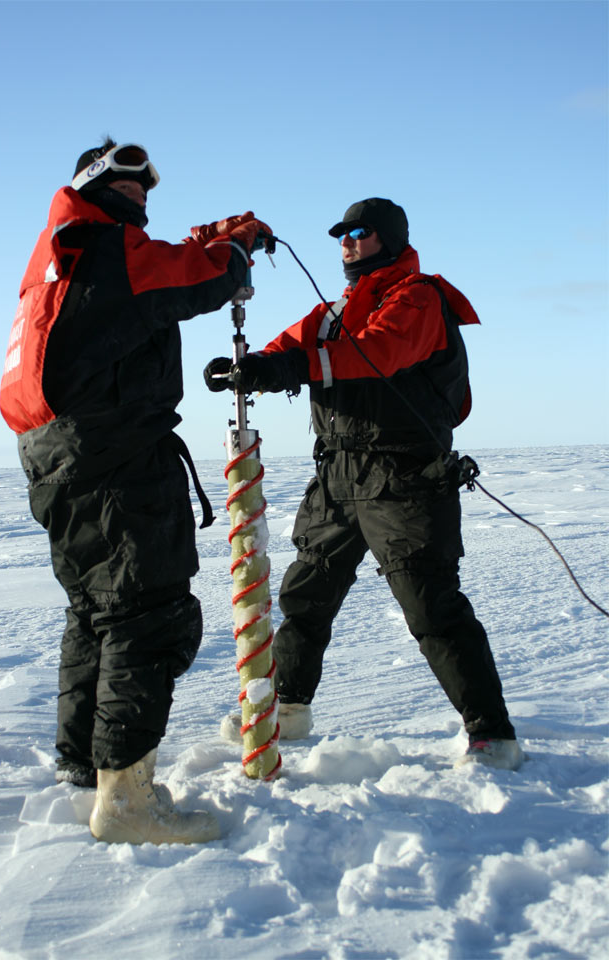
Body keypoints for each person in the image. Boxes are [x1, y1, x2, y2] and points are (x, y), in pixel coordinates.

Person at [0, 137, 273, 843]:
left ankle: (85, 766)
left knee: (97, 609)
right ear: (93, 185)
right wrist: (236, 251)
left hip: (56, 458)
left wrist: (212, 242)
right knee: (149, 614)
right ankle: (127, 802)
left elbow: (165, 269)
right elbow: (198, 279)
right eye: (126, 183)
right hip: (116, 457)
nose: (140, 194)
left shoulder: (61, 258)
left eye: (146, 186)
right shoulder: (111, 250)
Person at [204, 197, 522, 771]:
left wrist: (292, 369)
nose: (347, 242)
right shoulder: (334, 311)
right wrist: (248, 366)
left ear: (391, 237)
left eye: (360, 232)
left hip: (404, 476)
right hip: (338, 475)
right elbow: (292, 348)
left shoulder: (418, 297)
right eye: (342, 234)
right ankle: (290, 707)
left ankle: (491, 733)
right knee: (306, 596)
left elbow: (379, 353)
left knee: (430, 606)